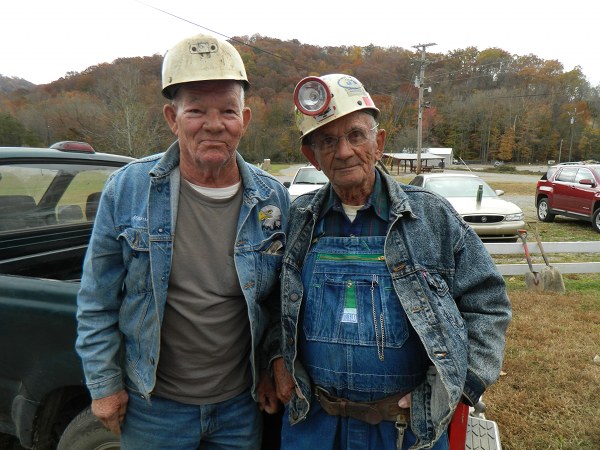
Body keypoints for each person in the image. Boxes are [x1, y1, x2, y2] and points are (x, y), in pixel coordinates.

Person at [272, 74, 511, 450]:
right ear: (312, 157)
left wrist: (461, 385)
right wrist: (276, 357)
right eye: (328, 141)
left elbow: (488, 303)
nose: (345, 151)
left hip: (406, 431)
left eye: (355, 135)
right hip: (314, 426)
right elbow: (272, 302)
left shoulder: (430, 217)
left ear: (378, 142)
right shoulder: (299, 219)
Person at [76, 33, 289, 449]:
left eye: (227, 110)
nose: (213, 123)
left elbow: (280, 300)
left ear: (244, 120)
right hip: (155, 408)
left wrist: (271, 362)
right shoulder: (129, 189)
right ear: (172, 119)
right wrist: (103, 384)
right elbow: (96, 299)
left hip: (239, 408)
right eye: (196, 110)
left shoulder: (272, 198)